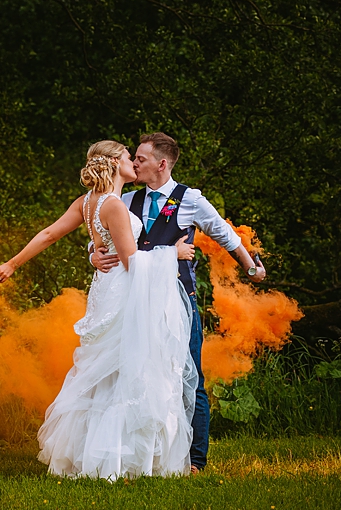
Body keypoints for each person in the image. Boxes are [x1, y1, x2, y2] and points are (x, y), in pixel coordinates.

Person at [0, 140, 199, 479]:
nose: (134, 162)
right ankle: (120, 460)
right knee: (123, 370)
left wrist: (12, 264)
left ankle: (93, 456)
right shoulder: (114, 204)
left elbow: (48, 234)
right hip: (123, 293)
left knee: (106, 372)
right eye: (129, 157)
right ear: (115, 162)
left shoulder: (87, 202)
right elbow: (132, 262)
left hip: (104, 291)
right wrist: (171, 254)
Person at [90, 132, 266, 473]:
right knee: (140, 376)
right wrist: (93, 257)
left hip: (178, 301)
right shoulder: (125, 201)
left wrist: (250, 266)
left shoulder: (191, 200)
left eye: (140, 158)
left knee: (189, 377)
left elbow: (224, 234)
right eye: (134, 158)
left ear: (162, 163)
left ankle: (195, 460)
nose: (134, 163)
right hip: (137, 304)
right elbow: (105, 239)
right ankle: (147, 454)